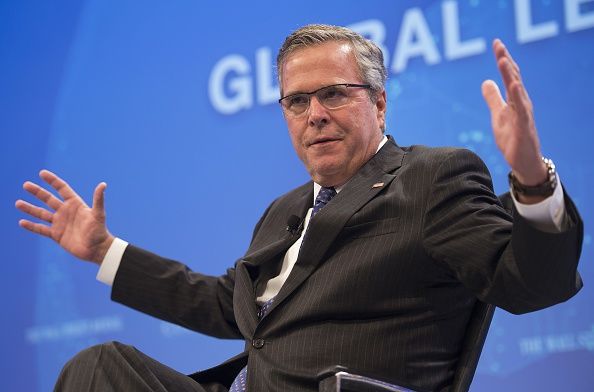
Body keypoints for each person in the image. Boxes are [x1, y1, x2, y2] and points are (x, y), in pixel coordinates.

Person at [16, 25, 583, 392]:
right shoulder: (284, 209)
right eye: (297, 101)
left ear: (379, 104)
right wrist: (103, 251)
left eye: (334, 94)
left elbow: (528, 285)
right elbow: (227, 307)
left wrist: (532, 180)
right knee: (100, 368)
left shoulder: (432, 177)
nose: (314, 114)